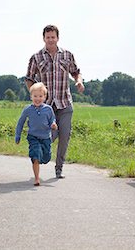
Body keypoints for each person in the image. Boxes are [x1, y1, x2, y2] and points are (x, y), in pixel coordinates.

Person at [25, 24, 84, 179]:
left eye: (53, 37)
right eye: (48, 37)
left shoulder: (67, 55)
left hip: (65, 102)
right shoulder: (36, 57)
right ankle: (39, 151)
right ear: (44, 38)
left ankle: (59, 168)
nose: (50, 40)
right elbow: (29, 79)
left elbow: (76, 72)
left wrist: (79, 82)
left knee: (64, 136)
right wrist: (35, 96)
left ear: (57, 38)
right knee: (50, 136)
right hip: (46, 106)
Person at [15, 82, 58, 186]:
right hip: (33, 137)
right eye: (35, 96)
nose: (37, 99)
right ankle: (37, 178)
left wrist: (53, 124)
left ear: (44, 97)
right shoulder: (27, 109)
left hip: (46, 137)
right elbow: (20, 122)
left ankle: (40, 159)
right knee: (36, 155)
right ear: (31, 97)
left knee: (46, 158)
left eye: (40, 96)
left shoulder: (48, 109)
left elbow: (52, 119)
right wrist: (18, 135)